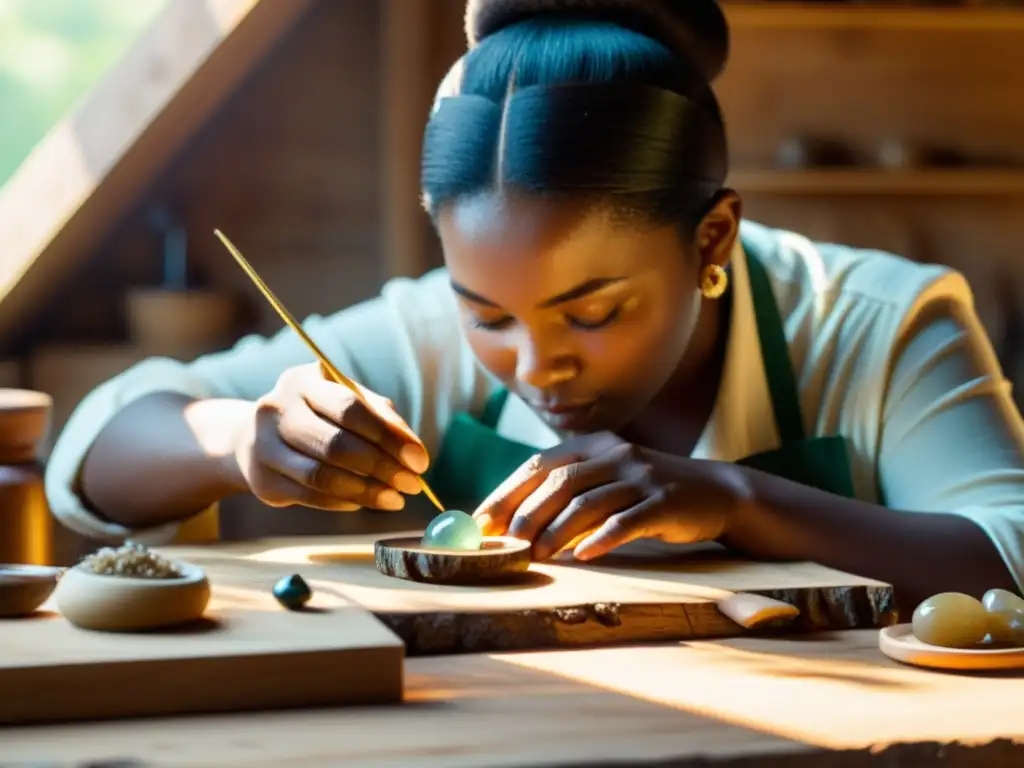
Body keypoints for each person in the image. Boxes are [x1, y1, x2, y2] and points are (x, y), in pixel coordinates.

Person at [45, 0, 1024, 610]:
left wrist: (735, 500)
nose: (533, 363)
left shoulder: (877, 323)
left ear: (711, 239)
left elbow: (1008, 552)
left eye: (593, 313)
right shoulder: (427, 338)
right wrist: (238, 439)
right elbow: (96, 451)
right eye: (488, 312)